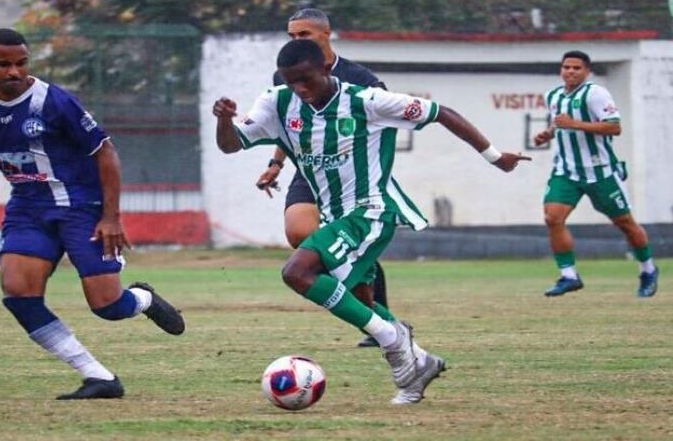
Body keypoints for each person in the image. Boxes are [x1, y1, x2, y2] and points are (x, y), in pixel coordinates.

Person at [213, 39, 529, 404]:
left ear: (327, 69)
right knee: (360, 302)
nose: (300, 89)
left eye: (306, 80)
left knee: (297, 272)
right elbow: (231, 144)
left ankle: (395, 342)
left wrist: (494, 157)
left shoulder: (366, 101)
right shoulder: (277, 102)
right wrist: (224, 119)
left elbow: (442, 112)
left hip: (370, 212)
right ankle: (419, 366)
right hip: (335, 215)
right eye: (291, 82)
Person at [0, 28, 185, 400]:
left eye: (21, 63)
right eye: (3, 65)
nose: (14, 73)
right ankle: (98, 376)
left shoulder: (54, 101)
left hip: (80, 207)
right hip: (28, 207)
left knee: (108, 306)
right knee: (18, 293)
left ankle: (143, 299)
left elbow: (106, 152)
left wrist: (111, 217)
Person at [255, 8, 390, 348]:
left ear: (326, 34)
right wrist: (276, 163)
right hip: (309, 170)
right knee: (301, 235)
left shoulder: (361, 79)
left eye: (304, 35)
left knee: (342, 249)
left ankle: (379, 319)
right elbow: (289, 124)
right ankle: (383, 320)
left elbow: (381, 131)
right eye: (292, 37)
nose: (297, 42)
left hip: (349, 179)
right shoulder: (283, 75)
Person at [534, 50, 659, 298]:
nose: (570, 71)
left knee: (625, 223)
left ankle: (648, 269)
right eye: (566, 67)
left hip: (600, 172)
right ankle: (569, 276)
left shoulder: (596, 94)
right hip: (566, 171)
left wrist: (575, 124)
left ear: (587, 71)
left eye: (576, 68)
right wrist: (547, 133)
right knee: (552, 218)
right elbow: (560, 123)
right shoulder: (553, 95)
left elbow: (614, 127)